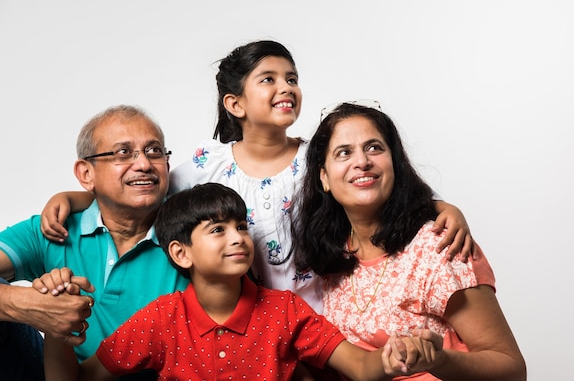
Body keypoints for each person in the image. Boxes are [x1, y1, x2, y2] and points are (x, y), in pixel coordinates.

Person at [40, 40, 476, 315]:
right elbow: (143, 190)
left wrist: (442, 207)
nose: (285, 87)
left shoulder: (318, 160)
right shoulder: (204, 165)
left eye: (292, 78)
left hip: (325, 314)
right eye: (268, 79)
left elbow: (378, 191)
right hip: (245, 318)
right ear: (235, 104)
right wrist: (74, 197)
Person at [42, 182, 443, 381]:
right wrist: (56, 320)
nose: (237, 237)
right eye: (217, 230)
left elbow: (358, 365)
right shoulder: (162, 319)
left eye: (240, 227)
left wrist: (391, 360)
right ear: (181, 253)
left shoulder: (284, 310)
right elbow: (84, 379)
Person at [291, 102, 527, 380]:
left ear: (395, 164)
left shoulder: (439, 247)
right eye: (344, 153)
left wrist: (439, 361)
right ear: (324, 178)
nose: (362, 161)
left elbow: (511, 369)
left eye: (374, 147)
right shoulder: (331, 256)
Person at [0, 105, 190, 380]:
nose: (144, 164)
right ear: (86, 174)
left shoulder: (195, 232)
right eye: (123, 153)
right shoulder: (54, 228)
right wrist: (25, 305)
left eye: (154, 151)